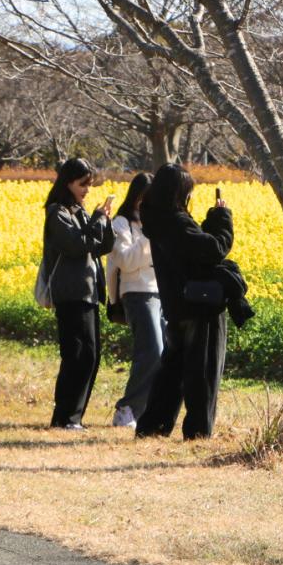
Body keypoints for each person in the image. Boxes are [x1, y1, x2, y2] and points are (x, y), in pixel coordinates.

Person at [135, 165, 235, 440]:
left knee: (173, 369)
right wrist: (222, 218)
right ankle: (198, 431)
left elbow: (193, 249)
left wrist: (209, 224)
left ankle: (153, 425)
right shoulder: (176, 222)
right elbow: (213, 250)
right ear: (178, 192)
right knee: (202, 370)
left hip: (177, 304)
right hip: (199, 304)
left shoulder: (157, 220)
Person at [42, 158, 115, 430]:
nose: (87, 189)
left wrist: (104, 221)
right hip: (70, 293)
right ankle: (64, 417)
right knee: (76, 355)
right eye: (82, 184)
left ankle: (74, 417)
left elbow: (100, 246)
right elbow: (76, 246)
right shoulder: (57, 212)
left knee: (91, 355)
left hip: (89, 291)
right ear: (68, 182)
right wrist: (96, 219)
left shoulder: (80, 211)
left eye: (90, 184)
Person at [108, 173, 162, 429]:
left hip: (160, 294)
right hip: (137, 293)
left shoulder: (154, 224)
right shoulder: (121, 224)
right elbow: (126, 261)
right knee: (152, 350)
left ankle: (146, 410)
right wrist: (149, 236)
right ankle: (126, 409)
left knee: (164, 353)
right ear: (138, 197)